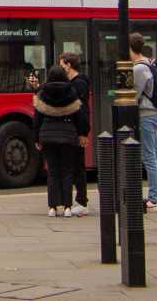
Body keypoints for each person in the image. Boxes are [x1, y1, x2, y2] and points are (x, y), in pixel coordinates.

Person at [34, 64, 88, 221]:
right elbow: (80, 116)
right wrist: (82, 133)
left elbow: (37, 118)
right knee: (66, 171)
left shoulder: (42, 92)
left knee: (52, 171)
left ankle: (52, 207)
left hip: (47, 135)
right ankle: (67, 207)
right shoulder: (71, 91)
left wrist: (36, 137)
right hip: (68, 136)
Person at [130, 33, 157, 213]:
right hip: (153, 113)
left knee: (149, 156)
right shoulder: (149, 63)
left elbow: (134, 94)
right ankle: (156, 195)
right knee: (156, 154)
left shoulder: (138, 69)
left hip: (146, 114)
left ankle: (153, 198)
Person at [56, 51, 92, 212]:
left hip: (77, 130)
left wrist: (83, 133)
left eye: (62, 64)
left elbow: (82, 110)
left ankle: (82, 201)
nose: (60, 67)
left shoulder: (79, 83)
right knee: (71, 166)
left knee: (78, 166)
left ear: (69, 65)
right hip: (69, 130)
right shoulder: (71, 82)